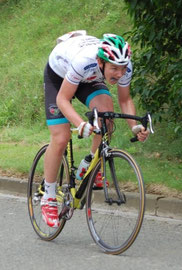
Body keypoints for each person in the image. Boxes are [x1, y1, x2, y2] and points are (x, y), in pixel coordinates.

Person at [41, 32, 150, 227]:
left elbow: (124, 100)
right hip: (59, 76)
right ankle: (48, 197)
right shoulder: (84, 61)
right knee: (61, 137)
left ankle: (89, 164)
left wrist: (135, 127)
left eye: (123, 68)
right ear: (101, 62)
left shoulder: (124, 67)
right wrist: (80, 124)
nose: (119, 73)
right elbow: (62, 99)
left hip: (89, 78)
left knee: (107, 117)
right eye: (114, 68)